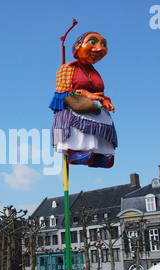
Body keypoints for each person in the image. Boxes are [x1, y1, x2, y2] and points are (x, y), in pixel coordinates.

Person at [49, 31, 117, 168]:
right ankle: (74, 152)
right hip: (76, 105)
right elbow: (61, 91)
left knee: (101, 123)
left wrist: (105, 101)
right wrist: (85, 94)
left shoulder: (95, 72)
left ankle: (98, 154)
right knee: (78, 124)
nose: (100, 48)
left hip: (95, 108)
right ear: (79, 46)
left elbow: (100, 92)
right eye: (93, 42)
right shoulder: (68, 68)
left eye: (103, 45)